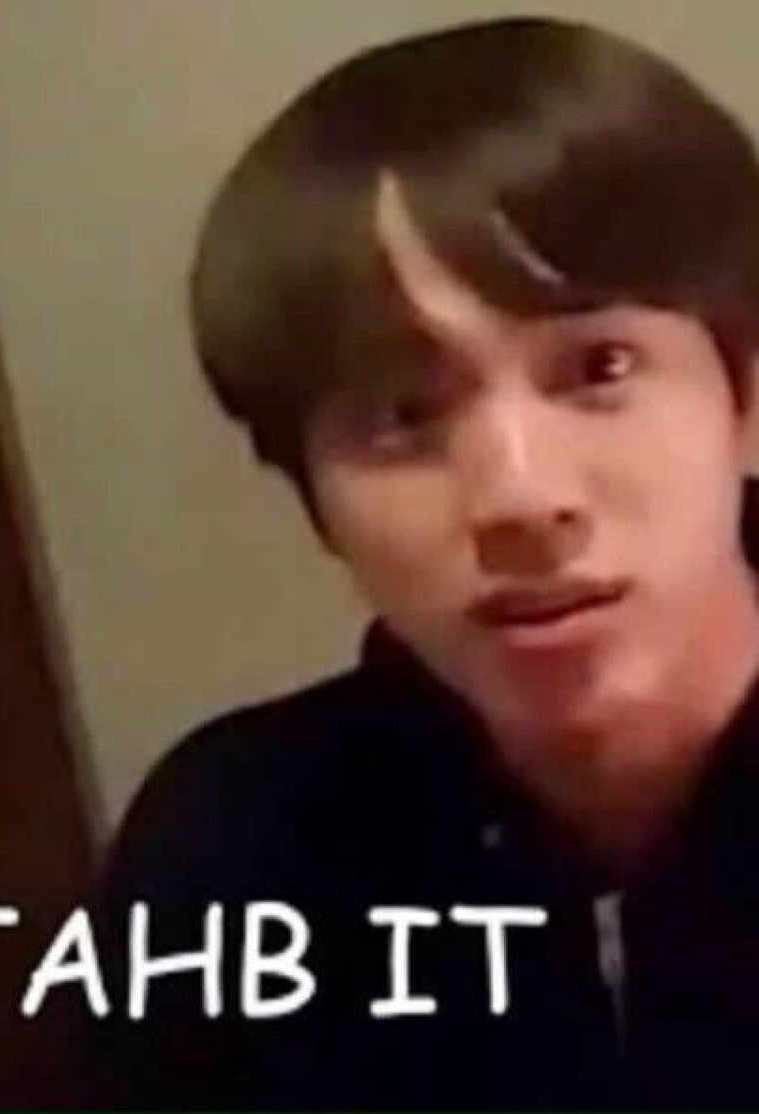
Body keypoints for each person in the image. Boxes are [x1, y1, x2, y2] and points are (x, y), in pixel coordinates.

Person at [90, 15, 759, 1110]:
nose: (521, 498)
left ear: (741, 396)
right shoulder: (230, 856)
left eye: (600, 367)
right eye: (404, 413)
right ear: (312, 495)